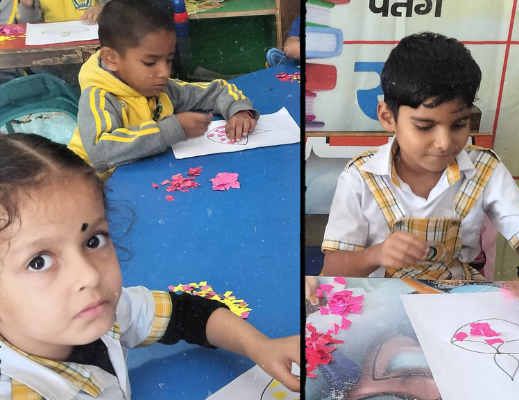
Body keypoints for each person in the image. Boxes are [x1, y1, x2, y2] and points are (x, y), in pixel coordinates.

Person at [0, 134, 301, 396]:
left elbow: (185, 313)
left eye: (93, 240)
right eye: (39, 261)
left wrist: (259, 346)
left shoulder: (103, 309)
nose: (89, 275)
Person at [320, 32, 519, 305]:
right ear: (388, 117)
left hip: (454, 301)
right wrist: (377, 254)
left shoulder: (484, 169)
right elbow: (333, 269)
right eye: (425, 127)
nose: (445, 143)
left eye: (459, 125)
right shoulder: (361, 177)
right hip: (380, 304)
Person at [68, 0, 258, 177]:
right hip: (94, 189)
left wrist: (239, 111)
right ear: (111, 59)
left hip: (142, 181)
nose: (164, 72)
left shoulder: (162, 88)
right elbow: (100, 152)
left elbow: (216, 91)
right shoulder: (98, 97)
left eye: (168, 60)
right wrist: (171, 130)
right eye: (150, 62)